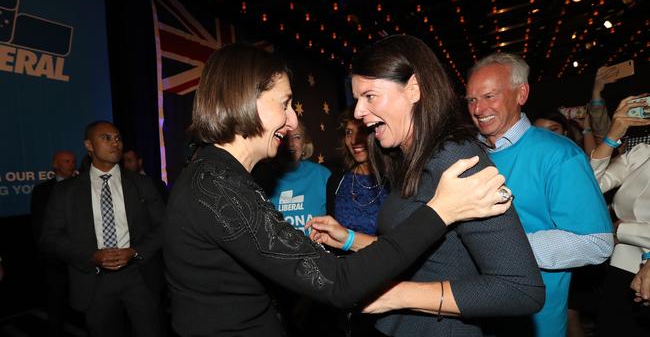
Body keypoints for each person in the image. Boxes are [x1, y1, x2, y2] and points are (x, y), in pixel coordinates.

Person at [162, 43, 517, 337]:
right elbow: (337, 282)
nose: (293, 120)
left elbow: (517, 287)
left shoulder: (220, 177)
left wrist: (349, 241)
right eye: (284, 103)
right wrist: (442, 211)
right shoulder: (216, 187)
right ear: (245, 99)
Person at [308, 35, 544, 337]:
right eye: (357, 99)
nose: (357, 112)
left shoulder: (455, 157)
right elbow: (422, 251)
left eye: (369, 96)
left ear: (414, 89)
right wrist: (348, 239)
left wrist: (396, 295)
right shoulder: (408, 158)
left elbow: (521, 289)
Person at [464, 52, 614, 337]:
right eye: (471, 99)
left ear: (522, 93)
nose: (478, 108)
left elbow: (597, 242)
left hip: (532, 321)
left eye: (489, 96)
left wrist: (500, 248)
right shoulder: (466, 153)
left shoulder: (559, 154)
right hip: (473, 316)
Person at [40, 121, 165, 337]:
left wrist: (135, 251)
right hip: (93, 281)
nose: (114, 143)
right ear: (89, 145)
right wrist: (91, 256)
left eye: (117, 138)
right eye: (105, 138)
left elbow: (165, 226)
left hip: (139, 276)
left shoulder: (142, 184)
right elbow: (49, 238)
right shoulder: (65, 191)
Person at [590, 94, 650, 336]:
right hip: (622, 268)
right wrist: (612, 136)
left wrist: (621, 230)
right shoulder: (642, 153)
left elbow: (621, 229)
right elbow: (586, 187)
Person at [31, 150, 77, 337]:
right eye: (66, 161)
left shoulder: (84, 186)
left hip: (81, 255)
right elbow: (38, 225)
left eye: (73, 161)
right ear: (55, 165)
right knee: (56, 300)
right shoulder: (42, 191)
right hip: (55, 257)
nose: (71, 164)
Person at [256, 120, 331, 235]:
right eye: (285, 137)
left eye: (297, 137)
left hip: (316, 250)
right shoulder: (260, 177)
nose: (290, 143)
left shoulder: (322, 175)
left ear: (304, 143)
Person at [326, 109, 388, 235]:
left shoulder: (396, 179)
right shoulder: (337, 180)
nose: (354, 140)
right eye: (349, 132)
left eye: (362, 131)